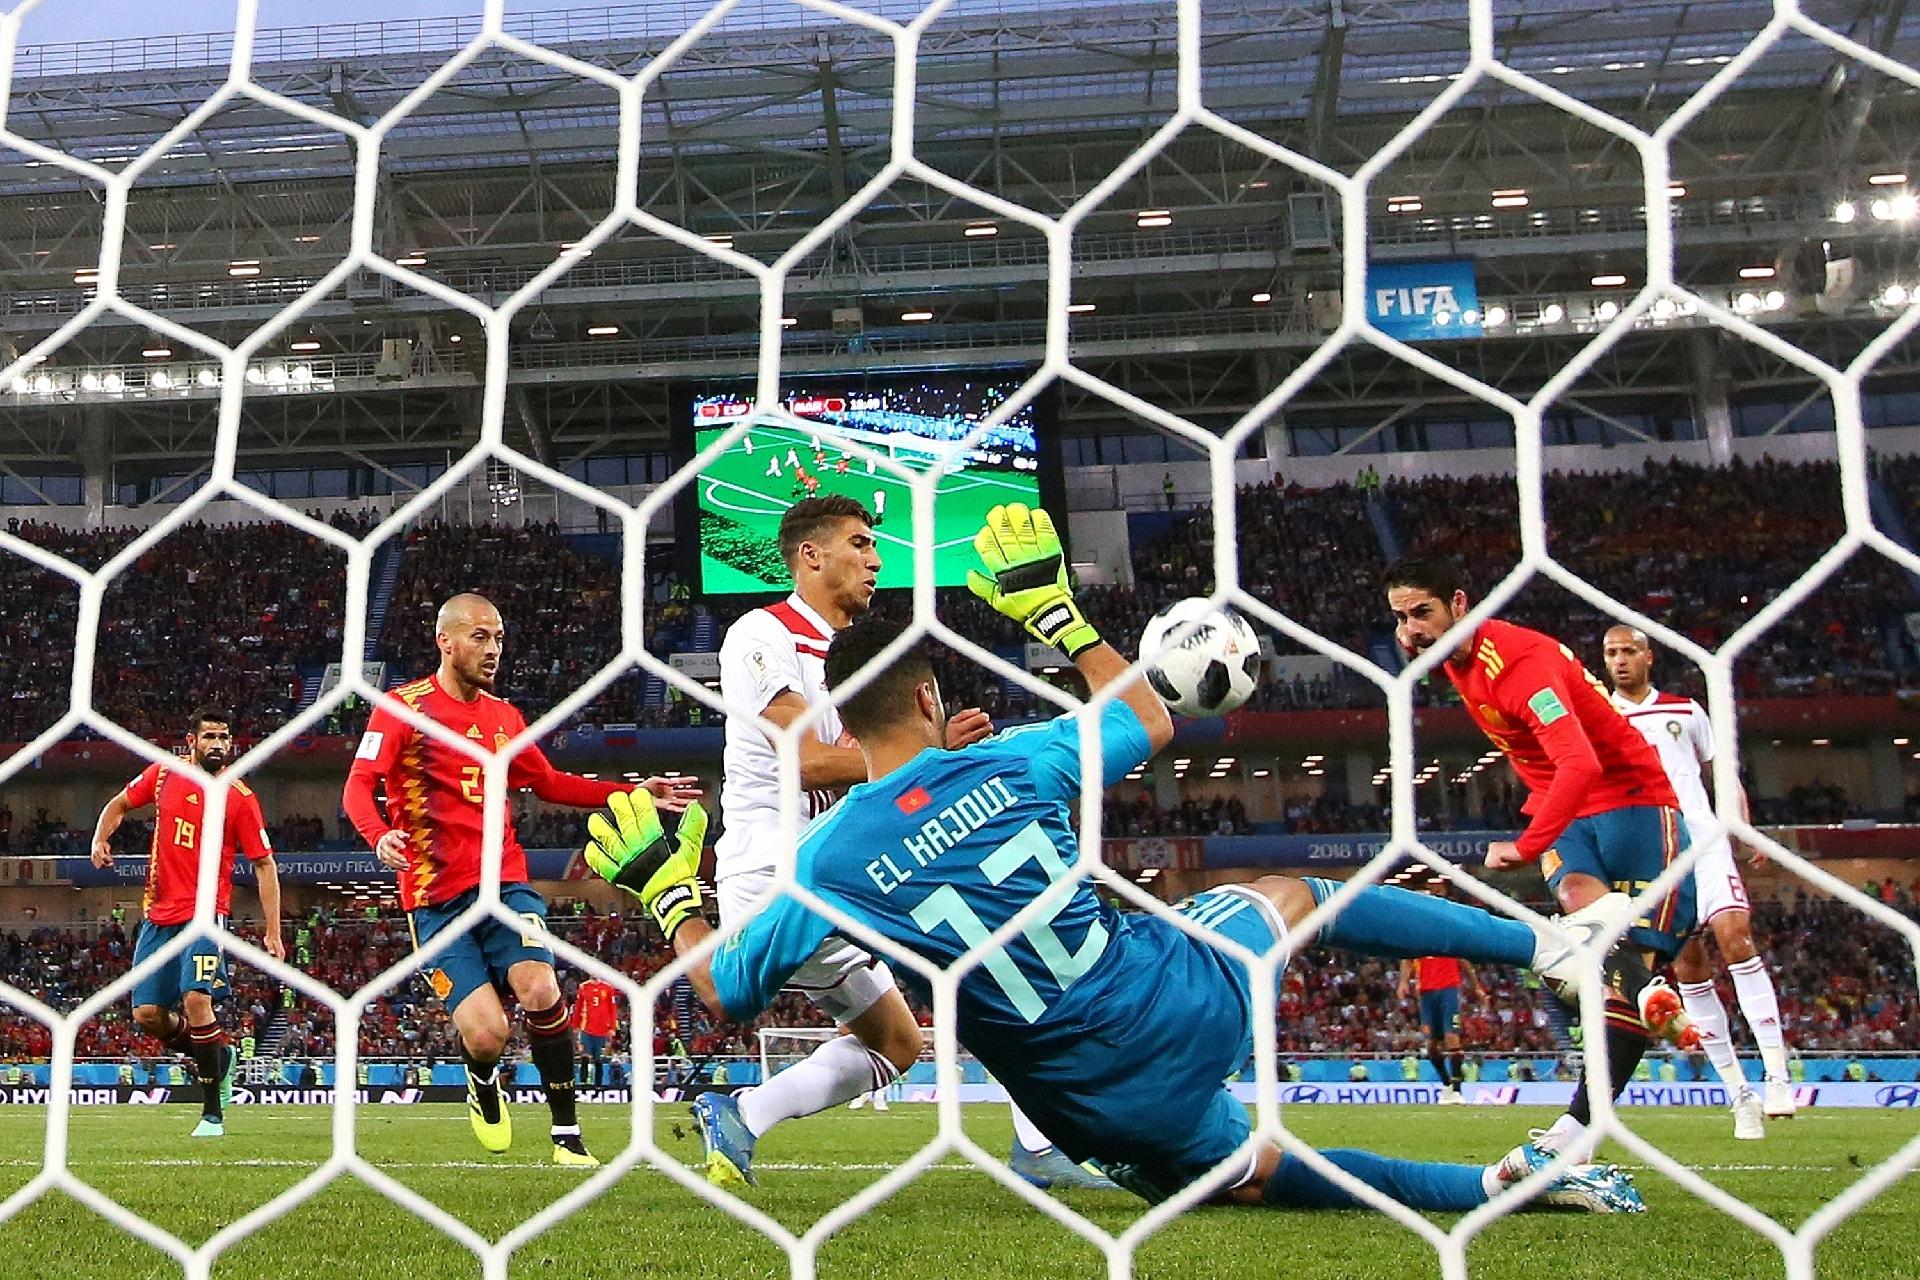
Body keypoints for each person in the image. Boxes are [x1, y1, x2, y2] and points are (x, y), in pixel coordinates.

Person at [583, 503, 1644, 1214]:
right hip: (1178, 997)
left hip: (1101, 1107)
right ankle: (1548, 945)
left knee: (1247, 1168)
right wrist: (1054, 609)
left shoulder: (837, 861)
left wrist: (666, 888)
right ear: (929, 699)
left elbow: (718, 982)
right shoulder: (1008, 758)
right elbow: (1147, 714)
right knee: (1289, 892)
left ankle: (1492, 1184)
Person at [703, 497, 1033, 1184]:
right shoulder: (759, 636)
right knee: (985, 939)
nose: (877, 559)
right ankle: (1041, 1141)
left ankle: (741, 1114)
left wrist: (943, 763)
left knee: (898, 1044)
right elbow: (813, 761)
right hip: (780, 869)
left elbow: (896, 776)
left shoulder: (873, 655)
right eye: (860, 543)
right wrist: (934, 755)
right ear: (811, 556)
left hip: (847, 863)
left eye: (876, 546)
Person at [342, 592, 700, 1167]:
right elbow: (359, 784)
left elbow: (552, 782)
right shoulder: (401, 708)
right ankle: (482, 1080)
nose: (493, 649)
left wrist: (635, 793)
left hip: (506, 884)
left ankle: (566, 1134)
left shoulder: (505, 717)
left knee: (540, 986)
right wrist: (377, 832)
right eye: (480, 637)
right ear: (446, 641)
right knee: (487, 1035)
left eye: (499, 638)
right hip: (435, 899)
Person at [1384, 558, 1698, 1165]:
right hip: (1566, 812)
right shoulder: (1455, 661)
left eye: (1422, 612)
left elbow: (1580, 763)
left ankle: (1579, 1127)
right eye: (1400, 617)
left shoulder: (1520, 665)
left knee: (1619, 959)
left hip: (1633, 801)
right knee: (1592, 925)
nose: (1411, 630)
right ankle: (1650, 994)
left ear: (1459, 601)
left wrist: (1526, 847)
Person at [1603, 624, 1794, 1132]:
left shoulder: (1686, 710)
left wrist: (1745, 827)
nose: (1619, 661)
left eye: (1627, 651)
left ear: (1649, 657)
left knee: (1737, 938)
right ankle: (1740, 1094)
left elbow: (1719, 770)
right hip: (1654, 855)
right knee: (1690, 969)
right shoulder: (1599, 715)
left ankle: (1777, 1074)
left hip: (1705, 841)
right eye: (1610, 653)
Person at [90, 706, 285, 1138]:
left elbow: (264, 865)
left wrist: (273, 930)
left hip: (206, 916)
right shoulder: (163, 775)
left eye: (224, 737)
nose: (217, 744)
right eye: (209, 736)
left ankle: (212, 1114)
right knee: (147, 1015)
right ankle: (220, 1057)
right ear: (191, 741)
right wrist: (101, 838)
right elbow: (119, 804)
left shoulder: (239, 796)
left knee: (197, 1000)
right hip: (158, 915)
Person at [1396, 881, 1478, 1104]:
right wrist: (1403, 982)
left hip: (1448, 989)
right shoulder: (1415, 933)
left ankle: (1458, 1089)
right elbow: (1407, 958)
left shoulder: (1447, 927)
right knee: (1432, 1045)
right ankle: (1446, 1084)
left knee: (1452, 1038)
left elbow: (1463, 958)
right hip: (1426, 992)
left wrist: (1477, 986)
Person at [573, 974, 619, 1088]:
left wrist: (612, 1027)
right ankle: (583, 1084)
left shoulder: (608, 988)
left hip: (602, 1029)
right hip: (586, 1028)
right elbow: (578, 1007)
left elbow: (612, 1009)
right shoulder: (583, 987)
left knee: (599, 1059)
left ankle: (598, 1086)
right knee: (585, 1056)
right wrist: (575, 1025)